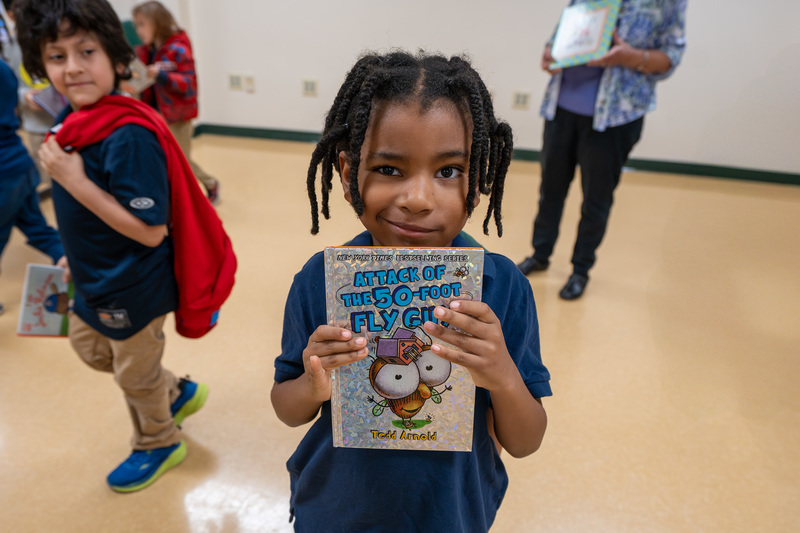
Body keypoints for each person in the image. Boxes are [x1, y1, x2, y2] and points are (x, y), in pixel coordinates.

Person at [271, 51, 551, 532]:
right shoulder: (320, 280)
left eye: (448, 171)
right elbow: (287, 407)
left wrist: (503, 375)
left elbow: (525, 441)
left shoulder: (501, 287)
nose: (418, 199)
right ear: (345, 172)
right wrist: (313, 383)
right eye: (389, 169)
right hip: (335, 511)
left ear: (480, 179)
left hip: (450, 513)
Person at [13, 0, 208, 492]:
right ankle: (175, 389)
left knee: (132, 373)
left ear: (116, 59)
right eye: (56, 57)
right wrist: (69, 254)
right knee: (90, 348)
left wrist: (74, 181)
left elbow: (150, 230)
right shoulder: (76, 121)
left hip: (133, 284)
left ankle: (158, 441)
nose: (72, 66)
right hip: (91, 274)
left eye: (86, 51)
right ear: (41, 66)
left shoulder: (126, 135)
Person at [517, 0, 687, 299]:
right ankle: (540, 253)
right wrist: (551, 50)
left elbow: (671, 55)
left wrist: (630, 56)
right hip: (561, 108)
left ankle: (581, 269)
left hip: (614, 118)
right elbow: (568, 27)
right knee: (551, 190)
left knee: (596, 199)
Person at [0, 24, 65, 317]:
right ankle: (74, 265)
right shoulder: (5, 70)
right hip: (20, 164)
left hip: (3, 173)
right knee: (38, 227)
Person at [130, 0, 219, 204]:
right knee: (161, 158)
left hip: (176, 116)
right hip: (154, 114)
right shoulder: (146, 50)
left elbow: (187, 83)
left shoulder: (178, 48)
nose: (138, 30)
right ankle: (170, 198)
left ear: (157, 23)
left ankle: (210, 183)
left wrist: (162, 76)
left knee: (182, 161)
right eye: (136, 25)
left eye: (142, 24)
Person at [1, 0, 59, 196]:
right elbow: (9, 86)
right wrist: (24, 96)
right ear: (11, 15)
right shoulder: (8, 47)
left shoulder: (53, 34)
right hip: (35, 127)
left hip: (63, 120)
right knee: (49, 181)